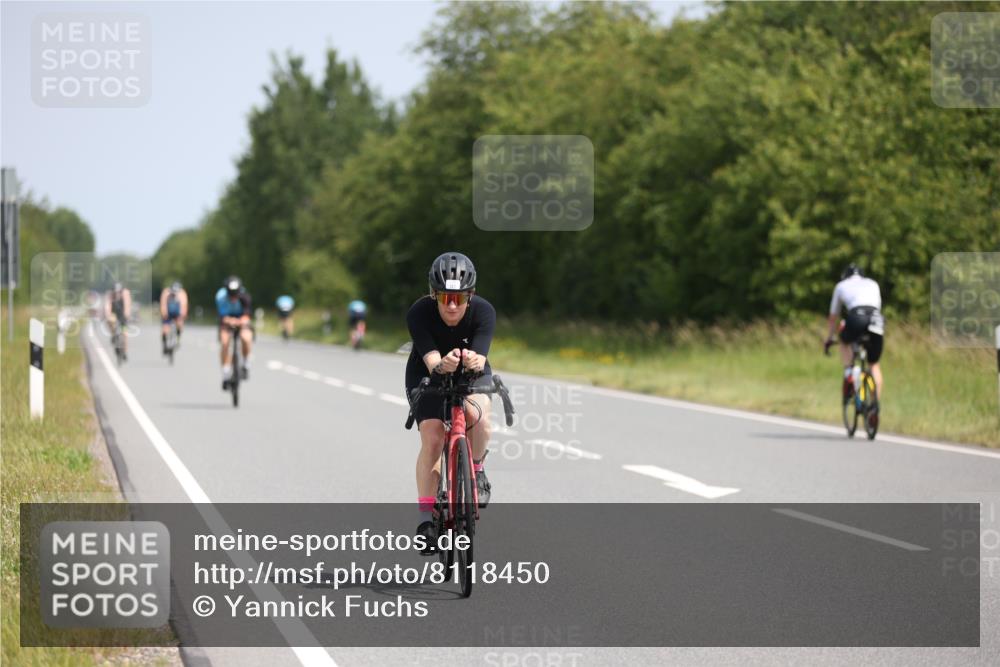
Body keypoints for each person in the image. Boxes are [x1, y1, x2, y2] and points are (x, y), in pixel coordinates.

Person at [406, 252, 495, 548]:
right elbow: (431, 361)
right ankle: (424, 517)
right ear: (434, 295)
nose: (453, 305)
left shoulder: (483, 312)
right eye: (445, 298)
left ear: (471, 295)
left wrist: (472, 360)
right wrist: (443, 364)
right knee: (432, 438)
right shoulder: (419, 313)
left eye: (459, 297)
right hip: (428, 373)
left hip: (471, 371)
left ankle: (478, 471)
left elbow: (481, 357)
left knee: (480, 417)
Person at [825, 263, 884, 421]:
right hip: (876, 319)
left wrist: (829, 338)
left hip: (856, 316)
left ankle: (849, 372)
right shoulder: (872, 283)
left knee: (844, 340)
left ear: (846, 276)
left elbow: (833, 316)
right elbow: (877, 306)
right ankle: (874, 408)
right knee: (874, 365)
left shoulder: (841, 285)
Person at [215, 276, 253, 390]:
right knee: (225, 342)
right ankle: (226, 372)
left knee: (246, 338)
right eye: (231, 295)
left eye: (235, 295)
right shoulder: (221, 297)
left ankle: (246, 364)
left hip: (241, 318)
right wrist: (229, 321)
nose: (233, 298)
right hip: (226, 319)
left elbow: (247, 314)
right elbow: (221, 316)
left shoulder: (245, 296)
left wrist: (241, 321)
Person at [104, 282, 132, 360]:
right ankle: (113, 334)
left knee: (125, 334)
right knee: (110, 321)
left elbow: (127, 305)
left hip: (122, 313)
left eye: (118, 292)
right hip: (114, 313)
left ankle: (124, 351)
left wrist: (126, 315)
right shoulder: (110, 295)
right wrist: (108, 315)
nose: (117, 294)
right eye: (115, 292)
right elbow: (107, 306)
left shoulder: (125, 293)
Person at [160, 281, 189, 354]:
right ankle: (165, 345)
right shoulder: (166, 292)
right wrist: (164, 313)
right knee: (165, 330)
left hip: (177, 313)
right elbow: (163, 304)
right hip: (168, 313)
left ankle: (178, 338)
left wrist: (183, 315)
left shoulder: (182, 293)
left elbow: (184, 305)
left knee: (180, 325)